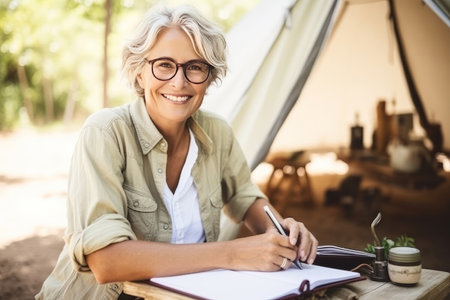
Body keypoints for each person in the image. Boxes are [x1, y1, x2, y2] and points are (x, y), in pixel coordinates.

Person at [36, 5, 318, 300]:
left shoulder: (218, 131)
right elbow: (106, 261)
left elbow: (245, 197)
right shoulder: (105, 132)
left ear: (210, 78)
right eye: (164, 65)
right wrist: (232, 253)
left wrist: (282, 230)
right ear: (139, 72)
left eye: (195, 66)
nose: (180, 82)